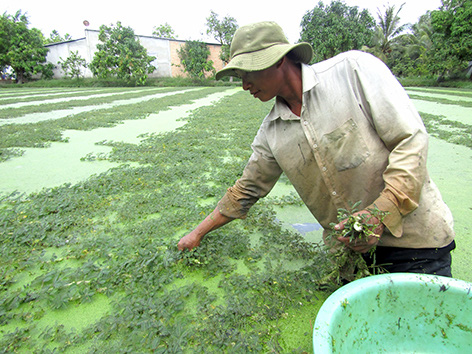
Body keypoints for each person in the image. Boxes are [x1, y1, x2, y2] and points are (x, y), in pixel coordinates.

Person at [177, 21, 456, 277]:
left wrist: (380, 214)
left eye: (248, 72)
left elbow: (411, 140)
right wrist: (197, 234)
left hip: (415, 247)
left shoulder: (354, 72)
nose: (244, 84)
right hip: (348, 259)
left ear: (278, 61)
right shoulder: (271, 132)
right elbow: (245, 191)